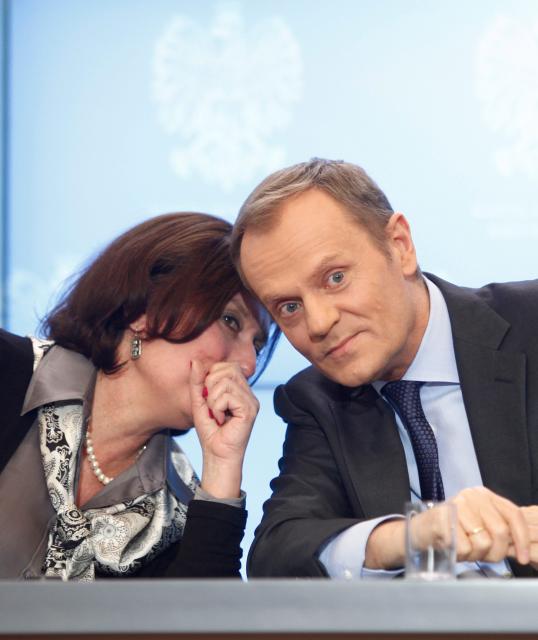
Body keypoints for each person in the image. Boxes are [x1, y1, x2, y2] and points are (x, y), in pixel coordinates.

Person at [231, 157, 538, 579]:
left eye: (335, 278)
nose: (319, 323)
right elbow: (277, 553)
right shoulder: (318, 400)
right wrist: (411, 537)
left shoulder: (530, 325)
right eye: (289, 306)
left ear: (400, 245)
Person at [0, 212, 278, 580]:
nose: (248, 364)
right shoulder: (10, 369)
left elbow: (204, 613)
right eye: (230, 320)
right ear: (143, 311)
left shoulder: (181, 511)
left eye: (257, 344)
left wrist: (223, 466)